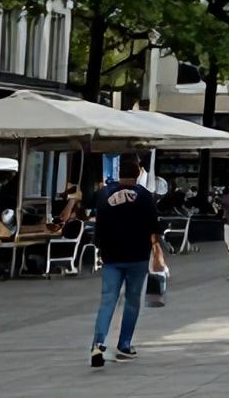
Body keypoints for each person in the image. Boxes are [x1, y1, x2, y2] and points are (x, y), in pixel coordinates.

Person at [89, 155, 162, 367]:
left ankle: (98, 343)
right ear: (138, 173)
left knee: (107, 300)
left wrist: (100, 247)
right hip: (137, 256)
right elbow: (153, 227)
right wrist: (157, 251)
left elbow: (99, 225)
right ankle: (124, 345)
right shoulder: (145, 196)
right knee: (131, 301)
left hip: (112, 256)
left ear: (119, 173)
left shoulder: (104, 195)